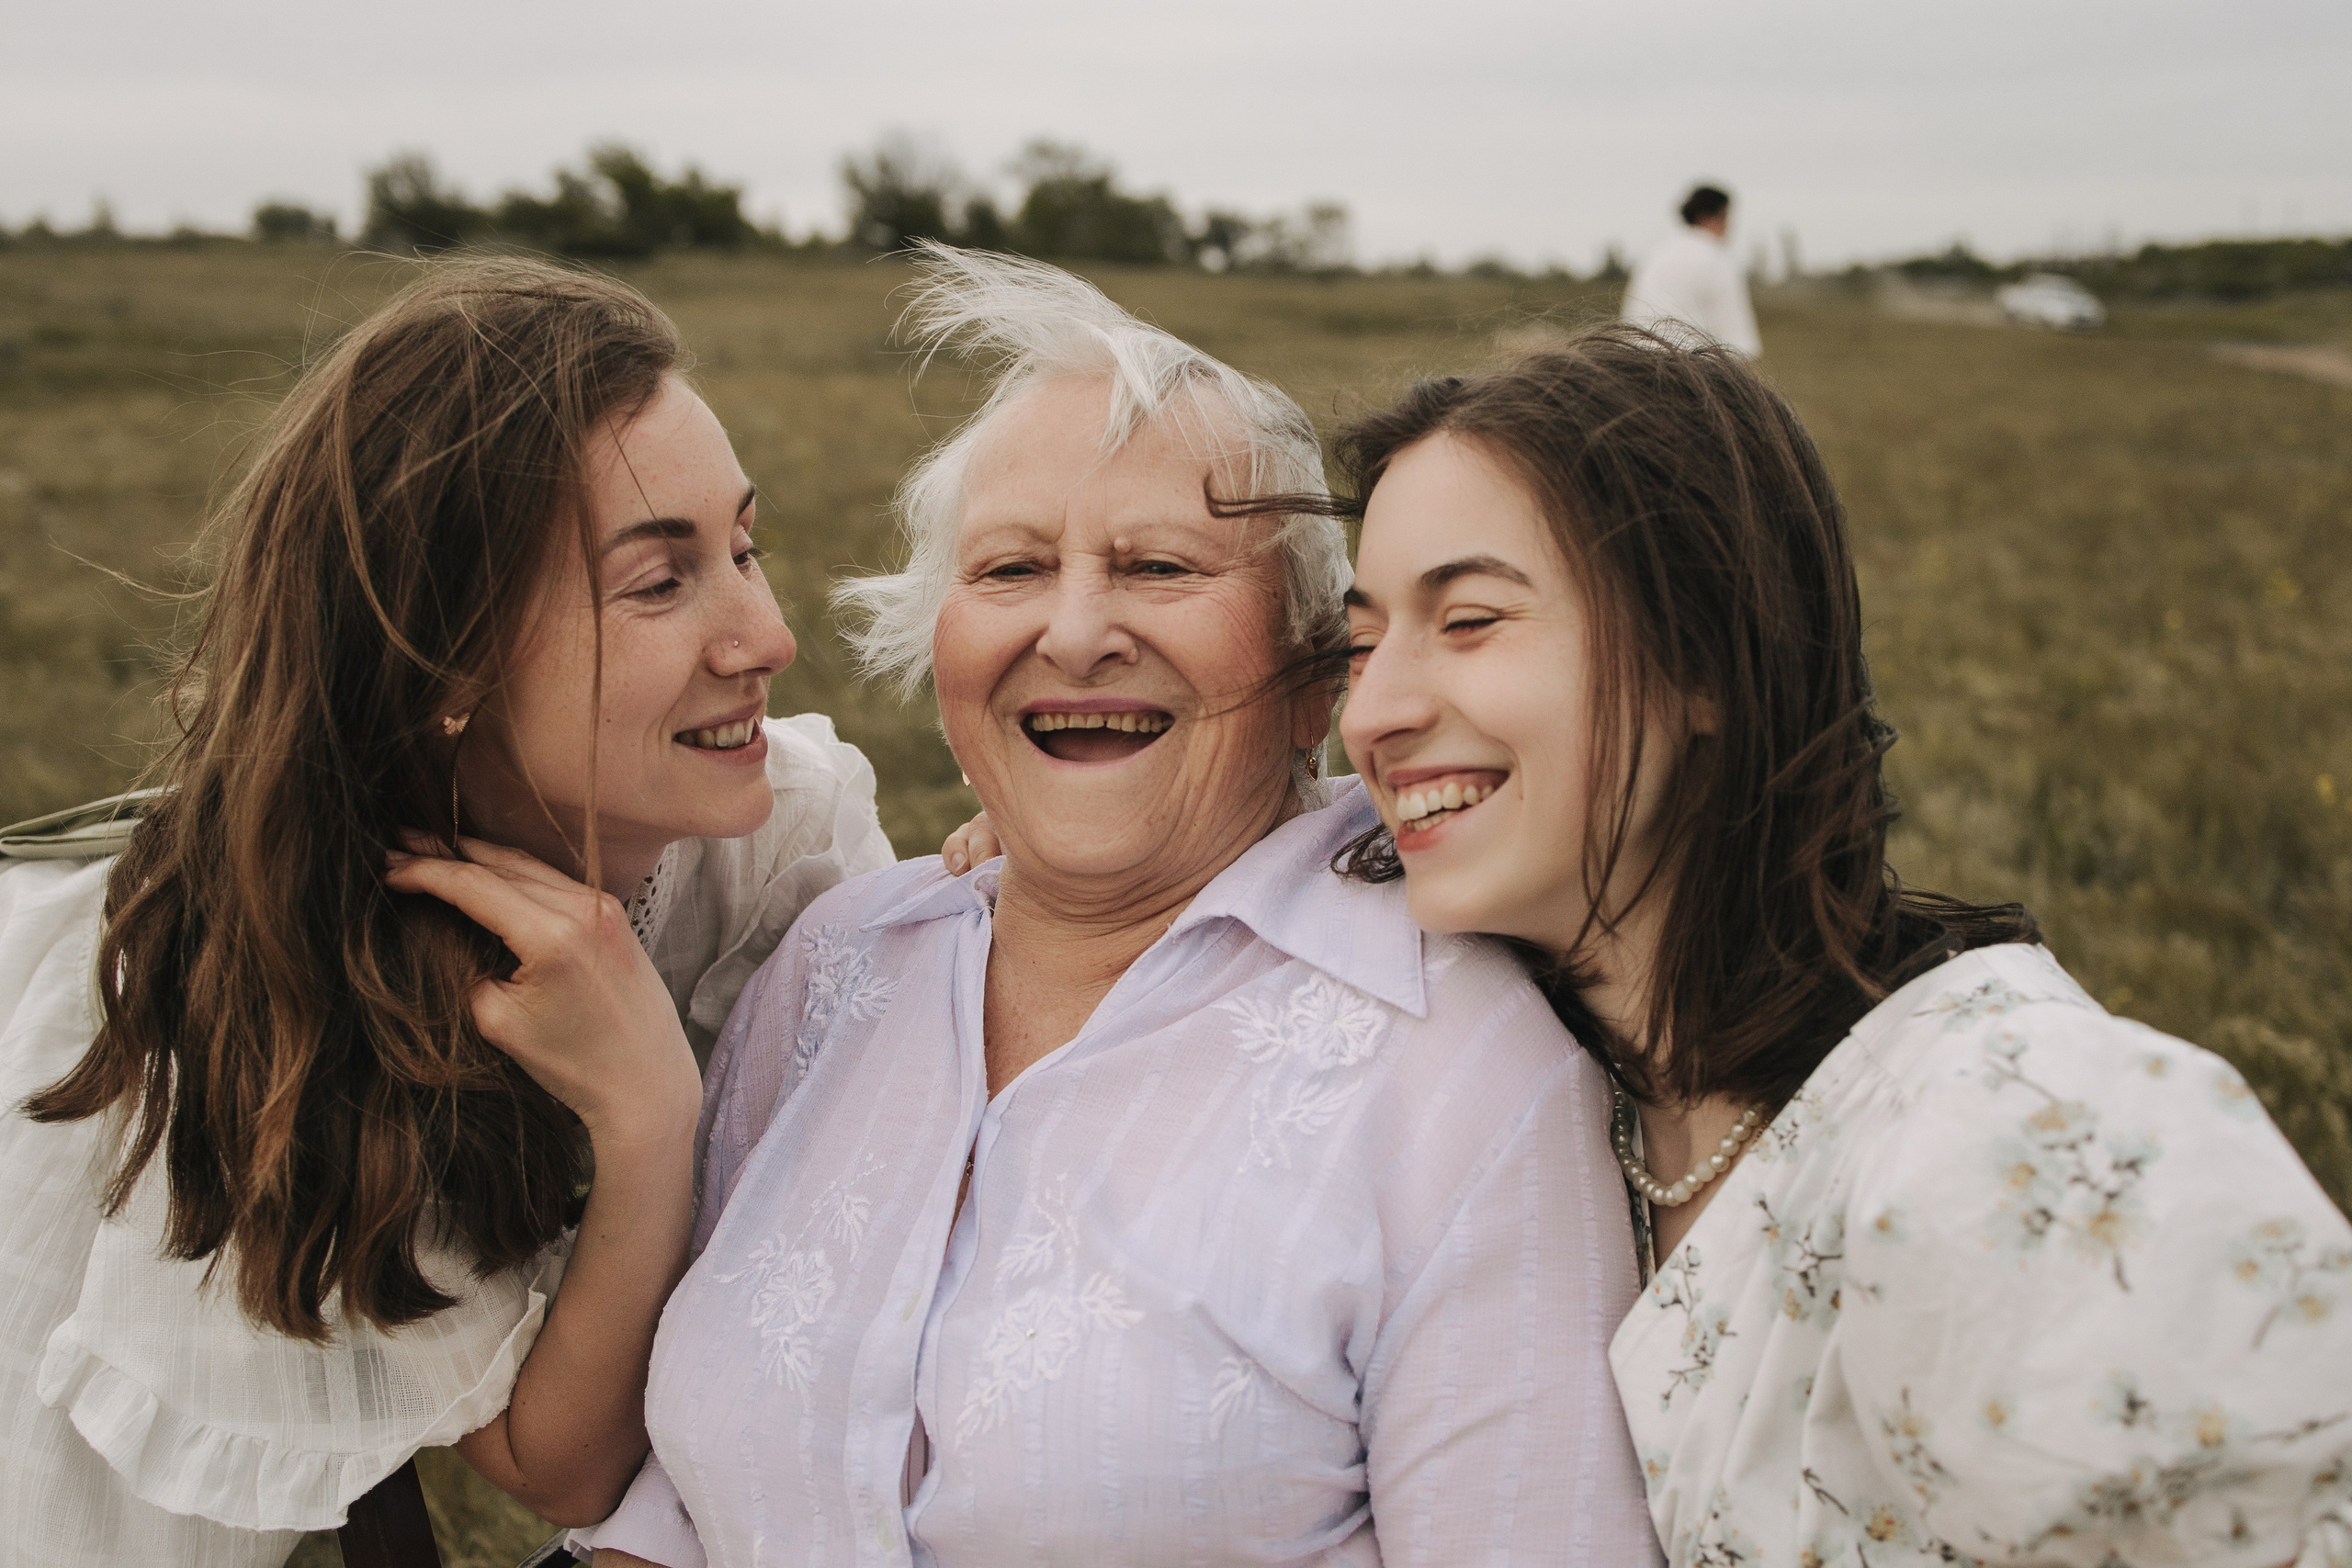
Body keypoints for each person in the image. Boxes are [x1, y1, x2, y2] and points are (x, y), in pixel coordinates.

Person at [574, 246, 1659, 1567]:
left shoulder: (1461, 1067)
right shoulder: (835, 962)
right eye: (1012, 570)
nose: (1075, 630)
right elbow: (677, 1507)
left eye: (1158, 568)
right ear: (943, 652)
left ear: (1317, 672)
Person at [1331, 326, 2352, 1566]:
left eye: (1472, 618)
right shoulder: (1527, 1096)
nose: (1371, 712)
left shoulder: (2021, 1133)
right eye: (1361, 641)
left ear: (1703, 654)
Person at [0, 257, 893, 1565]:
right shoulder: (277, 973)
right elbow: (560, 1464)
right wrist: (647, 1118)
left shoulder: (785, 834)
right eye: (660, 583)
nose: (763, 633)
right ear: (446, 661)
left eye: (743, 548)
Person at [1621, 185, 1761, 358]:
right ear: (1708, 217)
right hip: (1691, 371)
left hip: (1637, 363)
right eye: (1725, 217)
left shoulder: (1656, 254)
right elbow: (1738, 341)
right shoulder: (1716, 258)